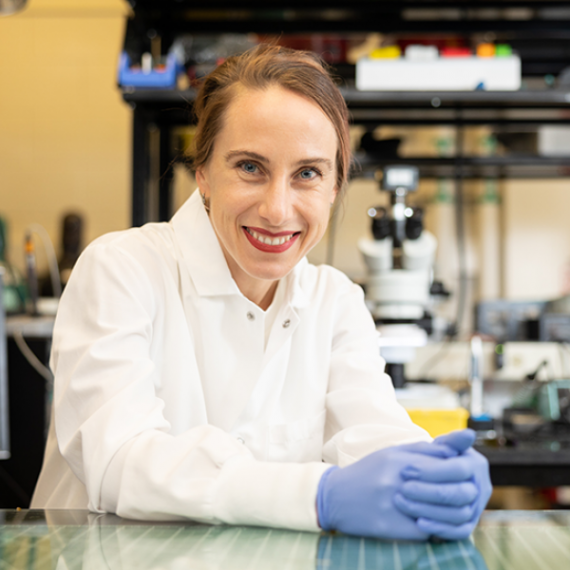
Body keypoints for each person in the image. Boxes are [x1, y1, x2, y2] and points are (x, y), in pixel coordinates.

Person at [31, 44, 491, 540]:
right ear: (203, 172)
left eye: (308, 174)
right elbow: (120, 462)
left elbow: (372, 434)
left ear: (335, 187)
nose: (277, 209)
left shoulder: (334, 301)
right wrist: (319, 496)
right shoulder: (121, 270)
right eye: (250, 167)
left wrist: (424, 472)